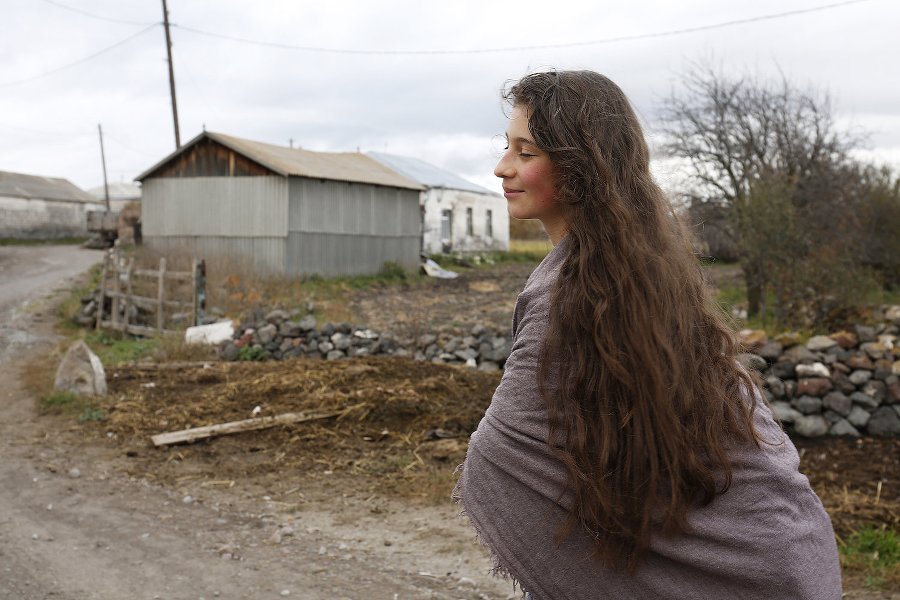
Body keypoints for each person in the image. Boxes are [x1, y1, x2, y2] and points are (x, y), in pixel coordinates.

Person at [451, 70, 842, 600]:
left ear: (579, 164)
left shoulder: (568, 295)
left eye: (526, 153)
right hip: (789, 553)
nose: (502, 168)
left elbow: (499, 456)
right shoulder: (649, 265)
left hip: (758, 562)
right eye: (507, 148)